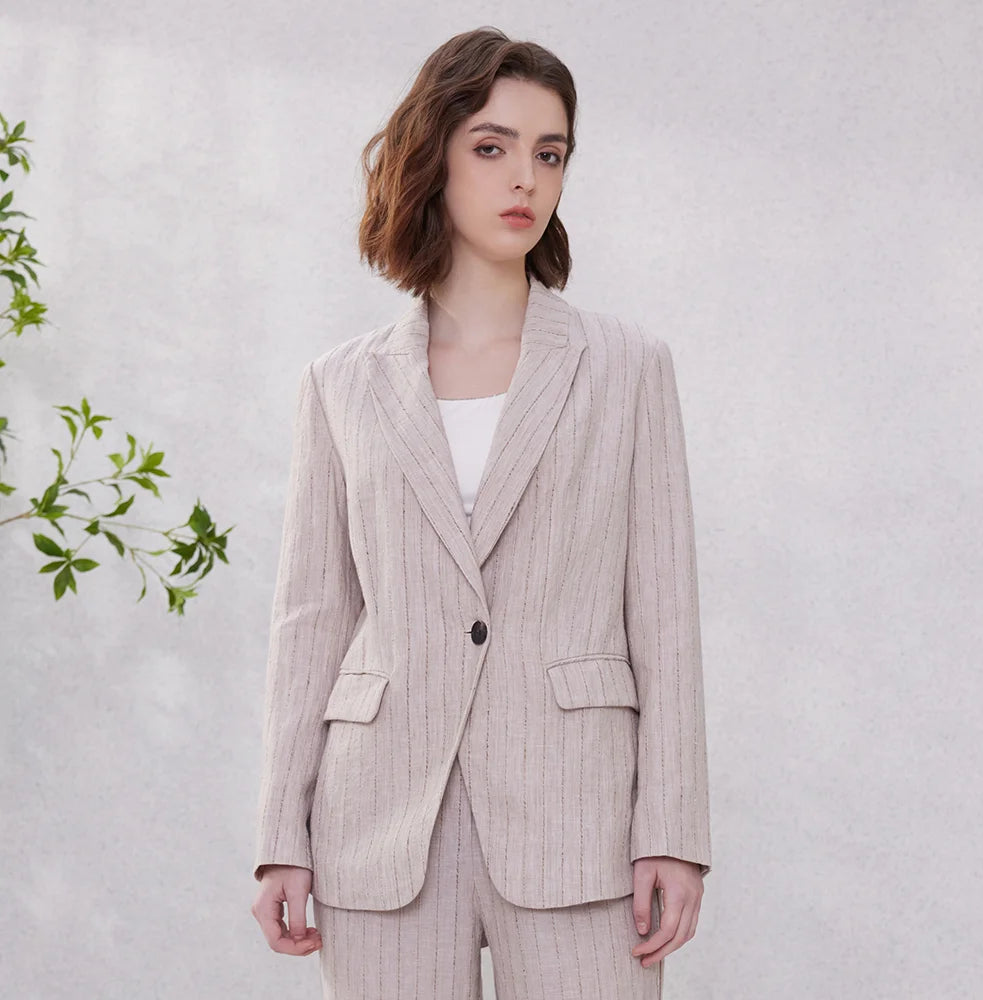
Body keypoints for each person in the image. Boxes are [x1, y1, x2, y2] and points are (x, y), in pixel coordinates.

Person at [249, 25, 712, 1000]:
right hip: (380, 818)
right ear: (435, 156)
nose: (526, 180)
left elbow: (663, 614)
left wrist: (672, 828)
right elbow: (311, 619)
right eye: (493, 147)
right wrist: (277, 834)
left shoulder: (628, 367)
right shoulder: (341, 383)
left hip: (577, 814)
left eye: (550, 154)